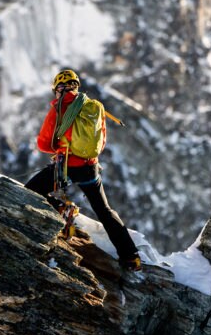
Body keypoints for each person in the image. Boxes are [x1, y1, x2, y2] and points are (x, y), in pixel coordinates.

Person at [25, 68, 142, 272]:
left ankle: (61, 208)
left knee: (31, 190)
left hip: (66, 166)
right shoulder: (94, 107)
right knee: (104, 211)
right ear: (76, 86)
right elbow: (101, 142)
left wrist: (62, 146)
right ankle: (131, 257)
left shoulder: (58, 108)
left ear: (59, 89)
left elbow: (44, 144)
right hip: (90, 168)